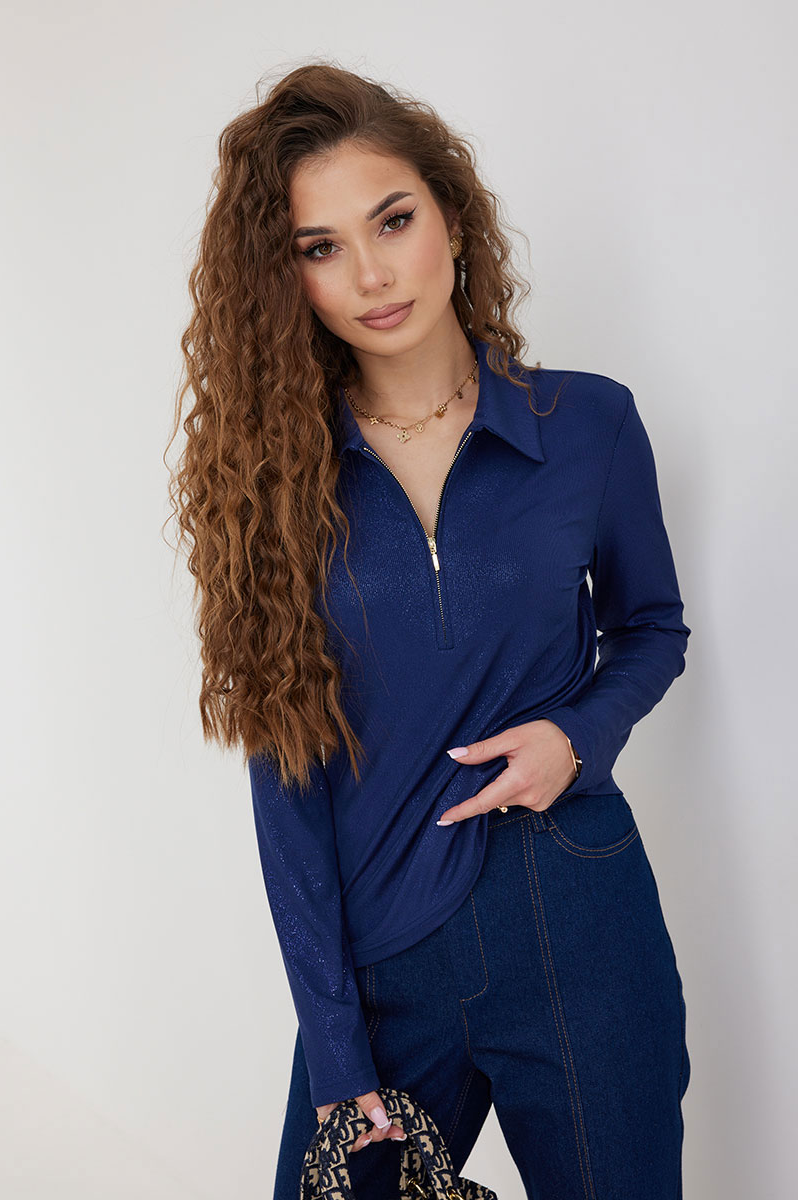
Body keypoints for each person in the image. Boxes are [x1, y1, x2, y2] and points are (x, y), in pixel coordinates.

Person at [168, 60, 692, 1199]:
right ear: (286, 278)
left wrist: (577, 736)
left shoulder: (589, 425)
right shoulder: (271, 484)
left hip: (577, 917)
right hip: (383, 955)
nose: (370, 273)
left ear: (449, 213)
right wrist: (334, 1044)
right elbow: (284, 778)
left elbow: (651, 626)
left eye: (392, 220)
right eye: (320, 247)